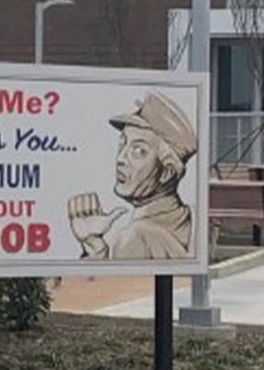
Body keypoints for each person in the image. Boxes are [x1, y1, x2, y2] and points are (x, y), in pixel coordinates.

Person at [67, 92, 196, 260]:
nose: (121, 159)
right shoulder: (193, 220)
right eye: (122, 144)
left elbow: (104, 285)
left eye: (138, 151)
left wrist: (96, 253)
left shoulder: (133, 238)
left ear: (167, 172)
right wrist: (95, 246)